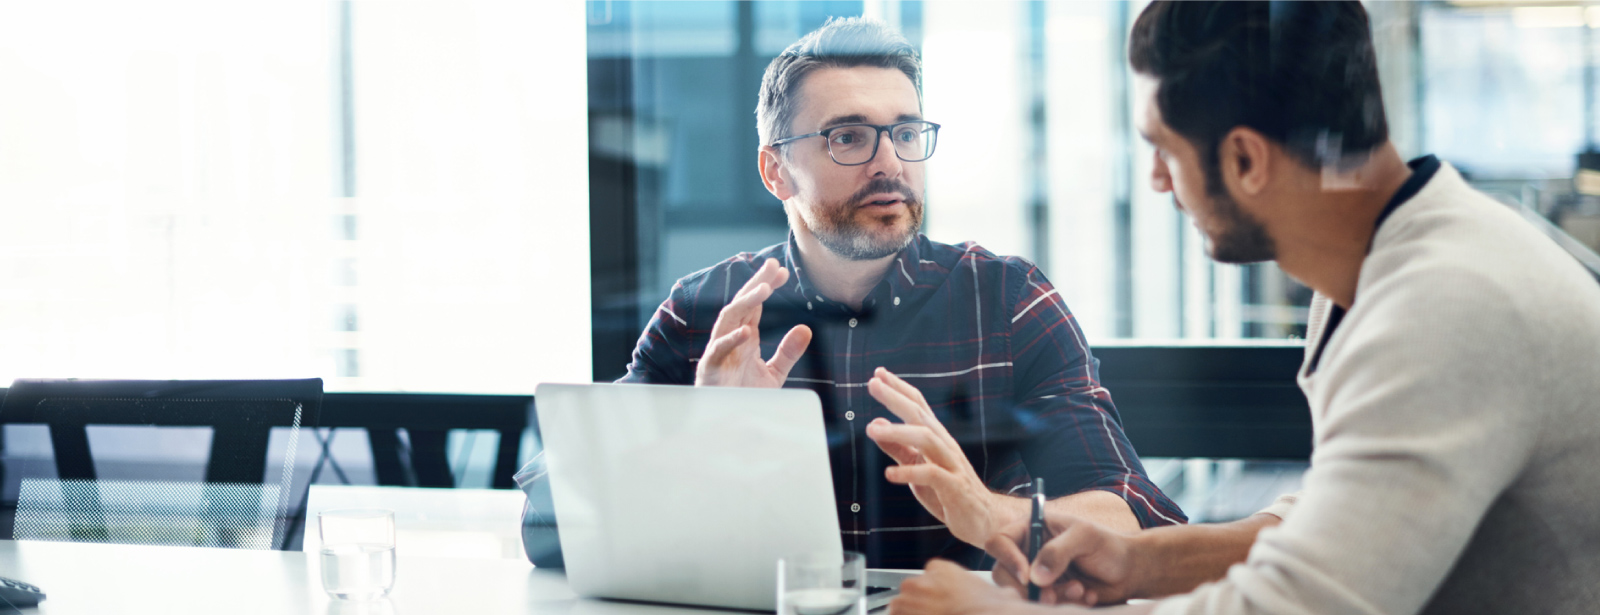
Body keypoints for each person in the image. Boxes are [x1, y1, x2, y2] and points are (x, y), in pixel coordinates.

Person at [890, 1, 1600, 614]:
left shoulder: (1445, 306)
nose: (1158, 181)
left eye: (1164, 149)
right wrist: (1143, 559)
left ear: (1247, 161)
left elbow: (1304, 602)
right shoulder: (1379, 260)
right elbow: (1347, 518)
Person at [619, 16, 1184, 569]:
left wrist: (988, 511)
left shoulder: (1008, 301)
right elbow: (552, 518)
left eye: (907, 134)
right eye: (849, 137)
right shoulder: (704, 315)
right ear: (775, 172)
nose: (889, 163)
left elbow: (1133, 516)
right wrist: (700, 445)